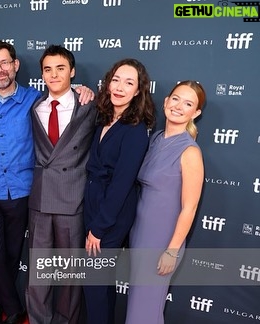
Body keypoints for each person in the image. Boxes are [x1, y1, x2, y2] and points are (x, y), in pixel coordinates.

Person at [0, 41, 93, 324]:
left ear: (16, 65)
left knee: (13, 256)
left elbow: (63, 97)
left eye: (4, 63)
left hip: (24, 191)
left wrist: (83, 89)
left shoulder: (33, 99)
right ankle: (13, 307)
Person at [27, 45, 97, 324]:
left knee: (69, 273)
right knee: (39, 272)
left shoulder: (89, 104)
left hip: (73, 197)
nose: (54, 74)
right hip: (41, 199)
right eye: (47, 69)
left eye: (60, 68)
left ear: (72, 71)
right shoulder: (35, 106)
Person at [82, 58, 156, 324]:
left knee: (94, 283)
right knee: (99, 283)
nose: (120, 87)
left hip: (111, 215)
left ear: (138, 91)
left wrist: (100, 227)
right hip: (93, 205)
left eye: (129, 83)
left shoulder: (135, 130)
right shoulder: (104, 119)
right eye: (116, 80)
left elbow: (122, 183)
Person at [125, 81, 205, 324]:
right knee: (141, 307)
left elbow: (189, 207)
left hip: (162, 241)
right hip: (139, 234)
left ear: (196, 113)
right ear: (166, 101)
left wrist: (171, 251)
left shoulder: (190, 152)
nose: (179, 106)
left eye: (188, 103)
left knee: (144, 311)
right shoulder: (156, 138)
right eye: (176, 99)